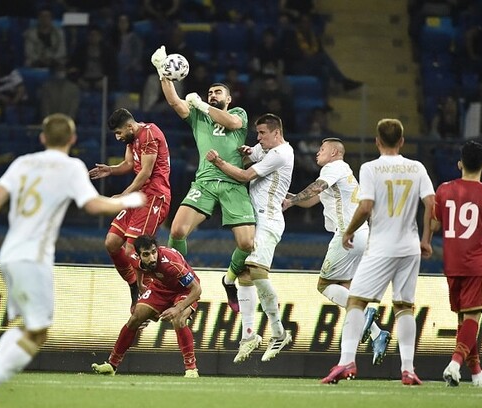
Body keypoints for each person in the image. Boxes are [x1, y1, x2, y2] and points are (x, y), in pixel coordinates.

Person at [0, 113, 146, 408]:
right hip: (33, 259)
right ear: (72, 139)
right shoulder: (71, 167)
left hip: (8, 255)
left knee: (28, 327)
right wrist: (128, 201)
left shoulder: (22, 162)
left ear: (42, 138)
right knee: (38, 332)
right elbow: (92, 205)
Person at [320, 118, 435, 386]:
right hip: (409, 245)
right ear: (402, 141)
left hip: (381, 244)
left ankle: (347, 361)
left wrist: (349, 231)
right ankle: (408, 369)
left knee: (356, 301)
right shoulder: (417, 167)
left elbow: (365, 207)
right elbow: (432, 203)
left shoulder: (370, 168)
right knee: (404, 306)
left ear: (377, 142)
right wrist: (426, 239)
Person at [151, 45, 256, 312]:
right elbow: (175, 102)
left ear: (228, 99)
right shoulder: (199, 117)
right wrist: (163, 72)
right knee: (177, 231)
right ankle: (179, 281)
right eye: (210, 93)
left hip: (233, 183)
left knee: (247, 243)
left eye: (217, 92)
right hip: (205, 183)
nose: (212, 95)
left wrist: (201, 104)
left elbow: (231, 124)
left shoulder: (239, 114)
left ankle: (229, 279)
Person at [282, 138, 391, 365]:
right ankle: (377, 333)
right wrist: (291, 200)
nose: (317, 153)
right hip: (362, 235)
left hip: (347, 235)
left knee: (324, 285)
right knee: (344, 286)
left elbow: (316, 187)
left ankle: (364, 313)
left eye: (322, 149)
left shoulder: (334, 168)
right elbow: (312, 199)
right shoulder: (341, 174)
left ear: (333, 153)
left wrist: (293, 200)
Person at [205, 113, 294, 363]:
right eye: (257, 133)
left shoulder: (281, 153)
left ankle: (279, 332)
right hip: (257, 218)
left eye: (263, 133)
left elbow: (244, 176)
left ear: (276, 133)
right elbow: (247, 155)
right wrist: (245, 151)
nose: (259, 138)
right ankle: (248, 335)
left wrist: (218, 161)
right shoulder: (265, 148)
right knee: (246, 275)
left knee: (256, 270)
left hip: (269, 219)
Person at [430, 140, 482, 387]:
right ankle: (454, 364)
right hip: (476, 264)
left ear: (459, 164)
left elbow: (434, 225)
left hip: (451, 262)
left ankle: (477, 374)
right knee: (472, 318)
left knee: (464, 319)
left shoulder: (443, 190)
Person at [88, 108, 171, 320]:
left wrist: (124, 196)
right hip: (139, 195)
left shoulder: (149, 133)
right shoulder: (131, 138)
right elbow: (128, 164)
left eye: (119, 133)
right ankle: (135, 285)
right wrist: (111, 169)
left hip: (154, 197)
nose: (118, 137)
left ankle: (153, 294)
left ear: (129, 126)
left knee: (133, 248)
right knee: (112, 242)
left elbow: (145, 172)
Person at [91, 234, 202, 377]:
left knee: (179, 319)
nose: (152, 258)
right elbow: (137, 267)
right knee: (135, 318)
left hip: (184, 290)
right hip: (160, 288)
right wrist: (140, 284)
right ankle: (112, 365)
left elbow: (196, 289)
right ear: (139, 255)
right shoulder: (134, 258)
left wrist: (178, 308)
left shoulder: (171, 263)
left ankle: (191, 369)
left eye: (154, 252)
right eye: (146, 254)